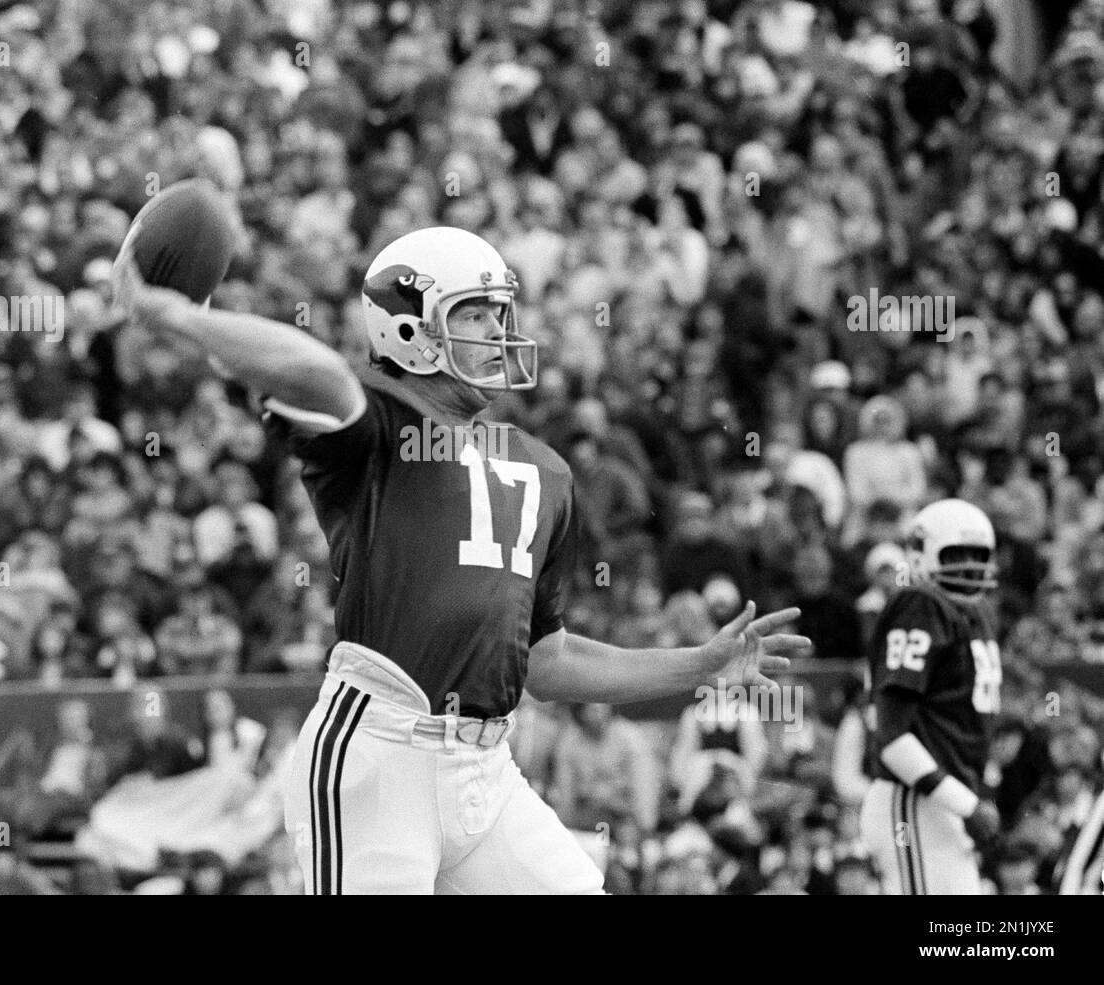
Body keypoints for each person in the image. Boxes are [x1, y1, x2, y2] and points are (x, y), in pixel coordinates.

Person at [116, 225, 808, 895]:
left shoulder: (545, 472)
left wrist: (698, 663)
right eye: (475, 314)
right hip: (378, 754)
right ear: (410, 329)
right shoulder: (379, 425)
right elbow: (317, 373)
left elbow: (550, 662)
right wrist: (179, 317)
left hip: (486, 763)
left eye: (499, 312)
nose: (497, 333)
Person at [860, 499, 1003, 894]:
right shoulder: (921, 604)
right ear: (923, 553)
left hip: (942, 801)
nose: (970, 565)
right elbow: (892, 738)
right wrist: (968, 806)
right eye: (957, 554)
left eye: (979, 555)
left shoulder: (977, 615)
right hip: (914, 799)